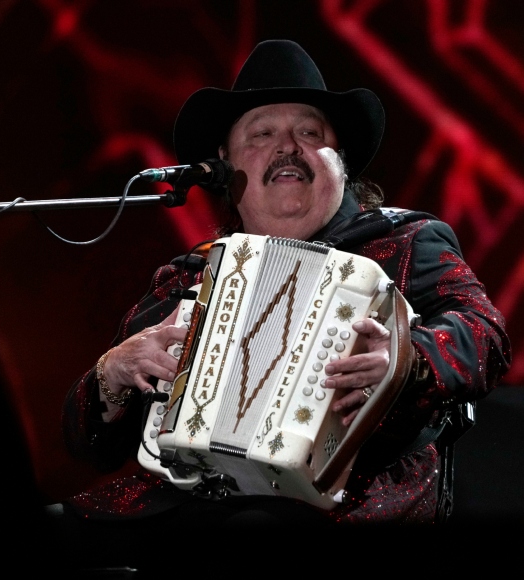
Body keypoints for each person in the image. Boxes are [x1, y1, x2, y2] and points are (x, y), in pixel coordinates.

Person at [50, 40, 511, 561]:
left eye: (309, 133)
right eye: (262, 133)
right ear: (223, 164)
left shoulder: (406, 242)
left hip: (346, 501)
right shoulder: (189, 275)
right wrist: (111, 373)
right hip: (180, 501)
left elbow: (486, 334)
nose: (287, 147)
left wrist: (405, 359)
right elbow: (88, 444)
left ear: (342, 162)